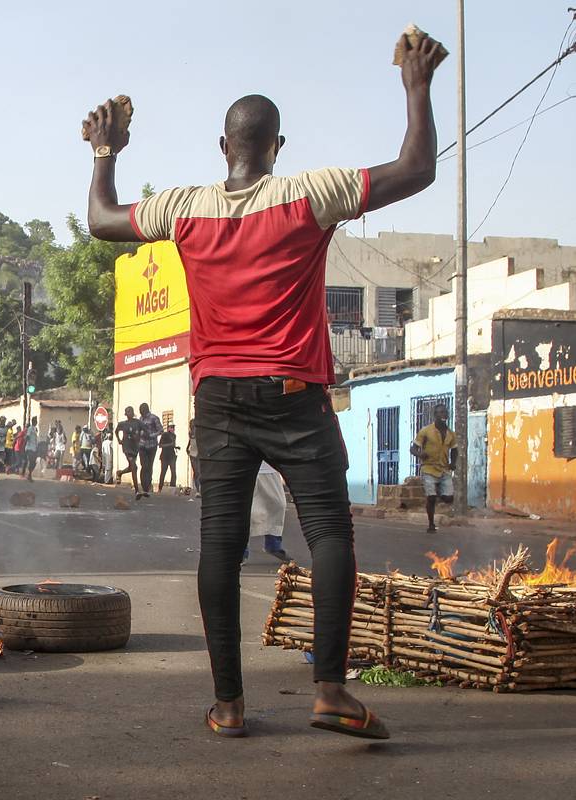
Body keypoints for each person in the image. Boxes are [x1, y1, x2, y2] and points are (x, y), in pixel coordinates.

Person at [82, 32, 443, 739]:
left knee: (219, 544)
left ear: (224, 147)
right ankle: (330, 689)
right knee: (328, 531)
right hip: (292, 394)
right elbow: (415, 168)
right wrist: (415, 83)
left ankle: (227, 705)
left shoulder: (183, 207)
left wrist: (106, 153)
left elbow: (101, 221)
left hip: (216, 397)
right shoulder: (310, 195)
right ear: (277, 146)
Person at [411, 403, 457, 533]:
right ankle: (431, 524)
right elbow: (413, 448)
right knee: (431, 498)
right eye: (440, 412)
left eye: (445, 412)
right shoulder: (426, 431)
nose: (443, 415)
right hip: (429, 468)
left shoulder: (451, 434)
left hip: (443, 468)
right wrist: (420, 454)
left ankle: (439, 494)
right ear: (435, 415)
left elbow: (455, 450)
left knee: (449, 498)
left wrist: (453, 463)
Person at [248, 463, 289, 561]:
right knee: (245, 511)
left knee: (279, 505)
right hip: (246, 468)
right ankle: (241, 552)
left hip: (270, 469)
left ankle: (273, 546)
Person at [114, 407, 145, 494]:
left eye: (130, 412)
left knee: (132, 467)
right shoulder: (123, 424)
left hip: (135, 447)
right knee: (134, 467)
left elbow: (145, 430)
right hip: (127, 447)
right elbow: (116, 431)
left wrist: (140, 437)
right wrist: (119, 440)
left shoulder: (137, 422)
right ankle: (137, 490)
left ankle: (120, 472)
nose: (129, 414)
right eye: (127, 412)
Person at [136, 404, 163, 500]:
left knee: (149, 465)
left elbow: (161, 430)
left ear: (145, 410)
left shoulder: (154, 418)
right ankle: (144, 486)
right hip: (142, 445)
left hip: (152, 445)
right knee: (144, 465)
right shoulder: (140, 419)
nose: (140, 412)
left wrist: (152, 435)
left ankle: (147, 487)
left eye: (141, 410)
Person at [158, 422, 179, 492]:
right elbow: (160, 445)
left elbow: (173, 445)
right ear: (168, 428)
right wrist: (170, 444)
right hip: (164, 455)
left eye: (173, 427)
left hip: (172, 455)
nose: (173, 429)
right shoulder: (164, 435)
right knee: (163, 472)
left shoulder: (174, 436)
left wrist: (175, 447)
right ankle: (160, 488)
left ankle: (172, 487)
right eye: (171, 427)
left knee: (173, 472)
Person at [23, 416, 39, 481]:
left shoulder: (35, 429)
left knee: (34, 463)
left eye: (36, 421)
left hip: (34, 448)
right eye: (35, 421)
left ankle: (28, 473)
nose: (36, 422)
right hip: (29, 448)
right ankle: (29, 475)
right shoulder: (30, 428)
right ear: (33, 422)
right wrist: (25, 444)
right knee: (31, 461)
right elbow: (27, 436)